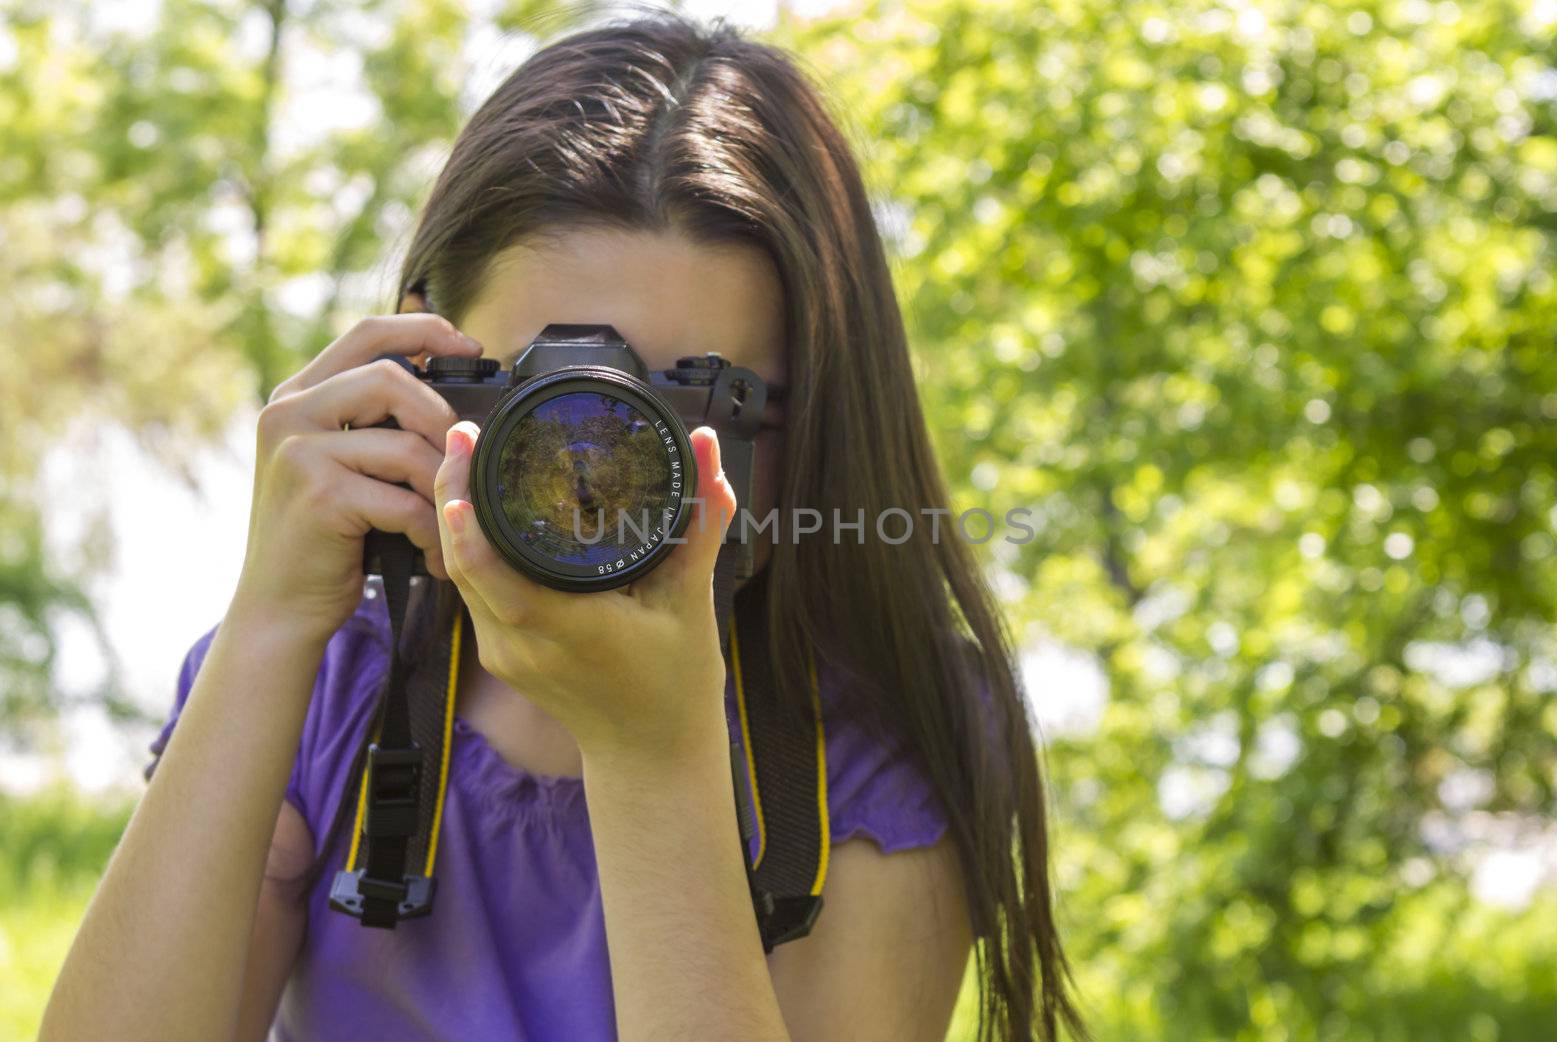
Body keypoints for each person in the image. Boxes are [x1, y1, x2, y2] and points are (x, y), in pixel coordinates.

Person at [41, 12, 1083, 1042]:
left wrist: (650, 752)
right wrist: (271, 617)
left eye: (685, 409)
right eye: (545, 395)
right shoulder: (331, 682)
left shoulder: (879, 736)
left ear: (802, 420)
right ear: (418, 359)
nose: (597, 472)